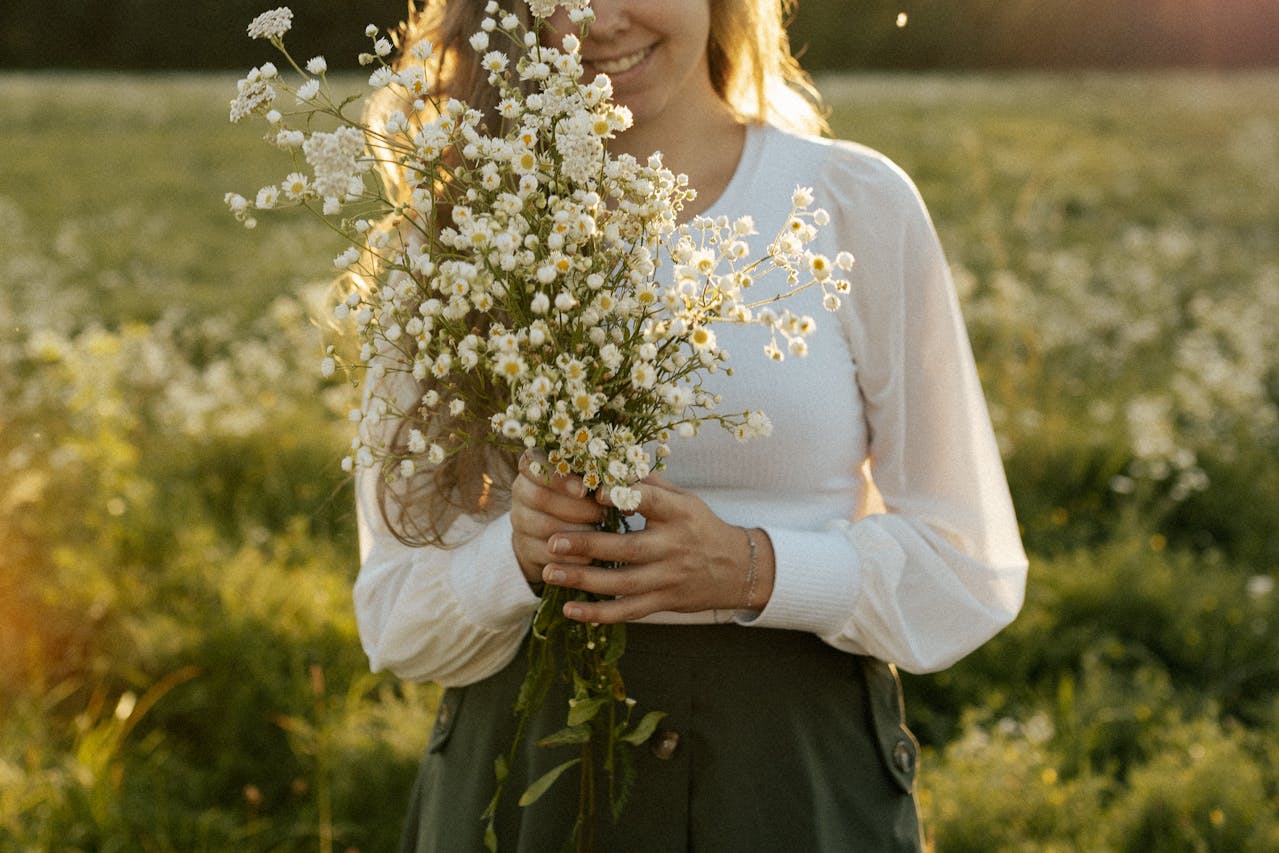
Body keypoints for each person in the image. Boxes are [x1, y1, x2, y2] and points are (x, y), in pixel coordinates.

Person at [353, 0, 1029, 849]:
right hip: (529, 781)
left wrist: (756, 568)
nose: (598, 20)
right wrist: (517, 557)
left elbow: (969, 573)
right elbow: (393, 616)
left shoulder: (851, 203)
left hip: (786, 777)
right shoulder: (454, 233)